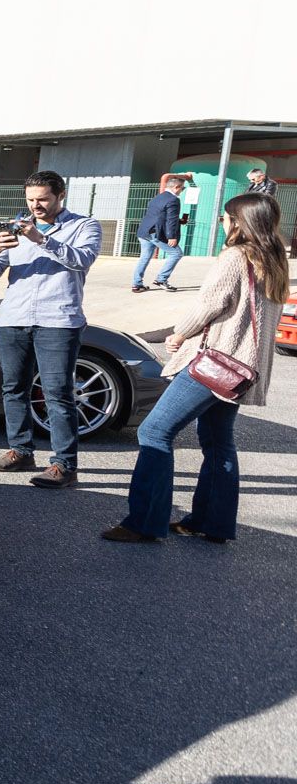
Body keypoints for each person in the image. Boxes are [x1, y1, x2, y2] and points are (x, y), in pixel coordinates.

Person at [106, 193, 285, 544]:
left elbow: (210, 305)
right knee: (218, 442)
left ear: (238, 221)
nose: (223, 221)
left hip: (215, 362)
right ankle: (211, 522)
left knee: (154, 433)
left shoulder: (235, 256)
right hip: (242, 370)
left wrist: (179, 333)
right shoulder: (275, 259)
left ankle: (143, 522)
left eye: (226, 216)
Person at [0, 170, 102, 490]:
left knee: (57, 393)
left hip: (58, 320)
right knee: (13, 388)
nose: (36, 206)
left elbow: (82, 260)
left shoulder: (84, 225)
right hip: (14, 318)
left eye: (43, 199)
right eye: (31, 200)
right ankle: (21, 450)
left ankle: (64, 464)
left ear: (60, 195)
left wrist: (42, 239)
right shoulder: (16, 227)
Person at [132, 175, 187, 293]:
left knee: (144, 258)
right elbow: (171, 219)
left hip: (144, 231)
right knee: (176, 253)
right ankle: (161, 279)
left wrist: (179, 221)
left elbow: (160, 215)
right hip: (155, 232)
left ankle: (136, 284)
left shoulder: (157, 198)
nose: (182, 191)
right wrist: (171, 237)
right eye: (182, 188)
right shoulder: (173, 200)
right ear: (176, 187)